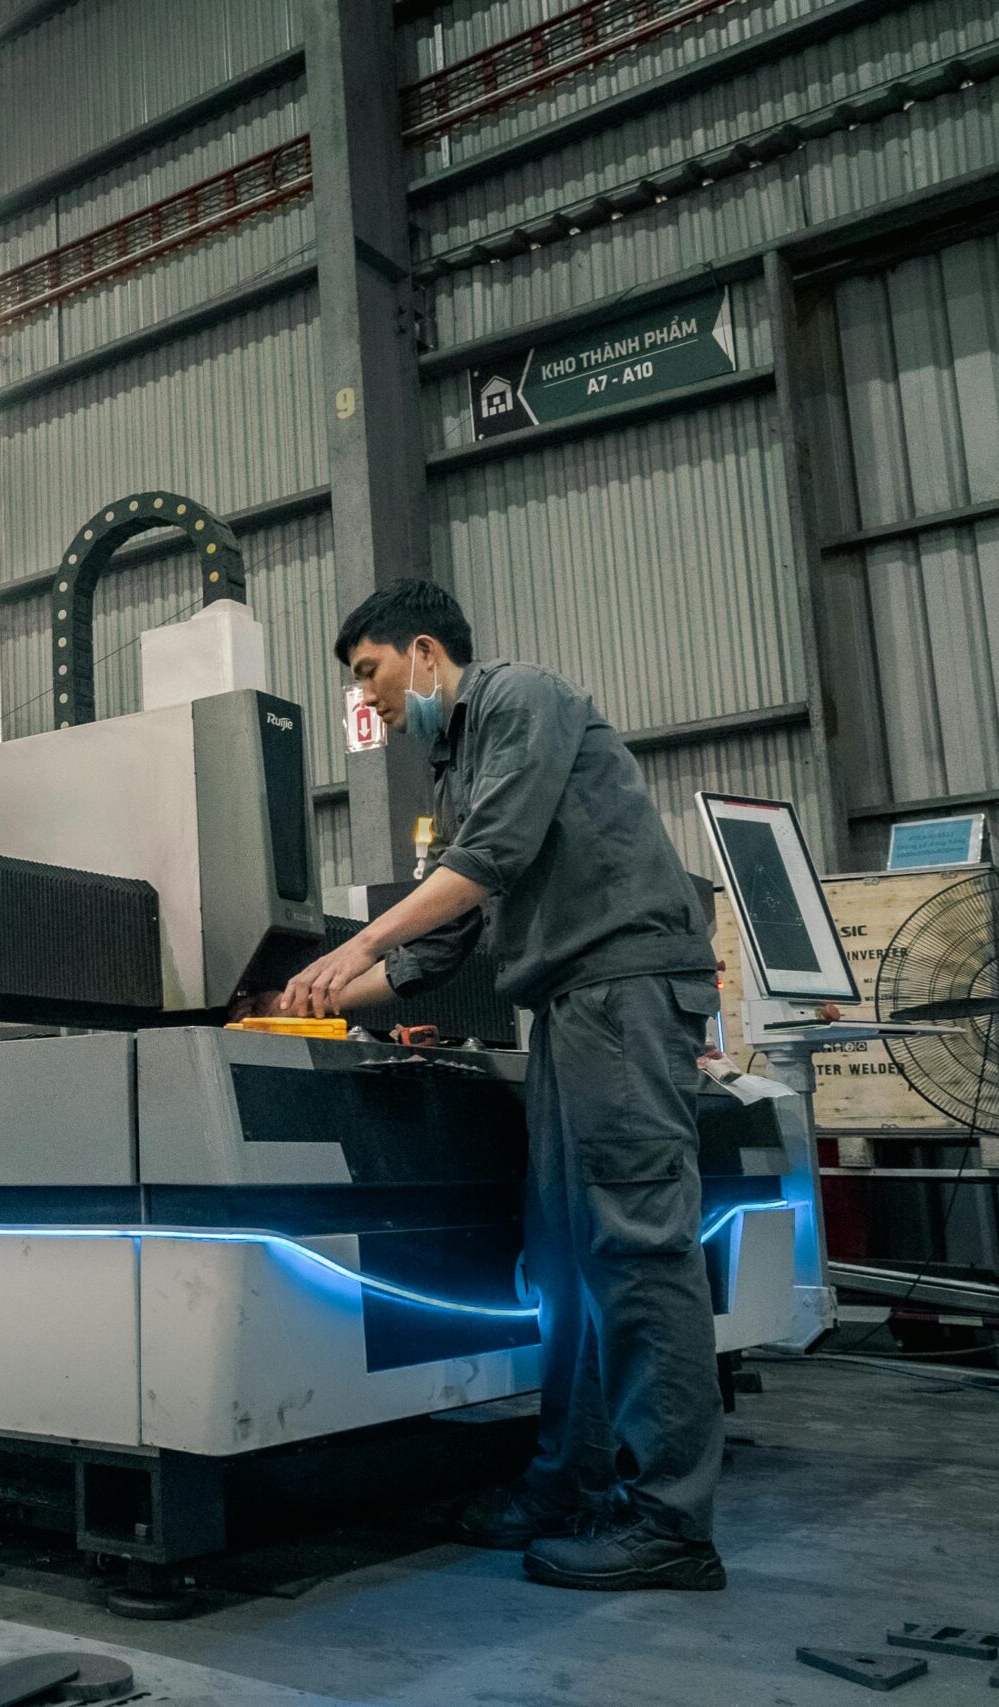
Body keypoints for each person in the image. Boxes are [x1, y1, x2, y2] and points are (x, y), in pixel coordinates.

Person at [273, 581, 727, 1592]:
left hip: (622, 992)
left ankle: (670, 1523)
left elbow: (492, 860)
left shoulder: (524, 699)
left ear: (424, 653)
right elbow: (443, 948)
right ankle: (570, 1480)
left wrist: (356, 942)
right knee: (568, 1260)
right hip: (565, 1011)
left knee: (640, 1252)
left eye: (370, 672)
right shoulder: (454, 769)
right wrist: (325, 995)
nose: (371, 700)